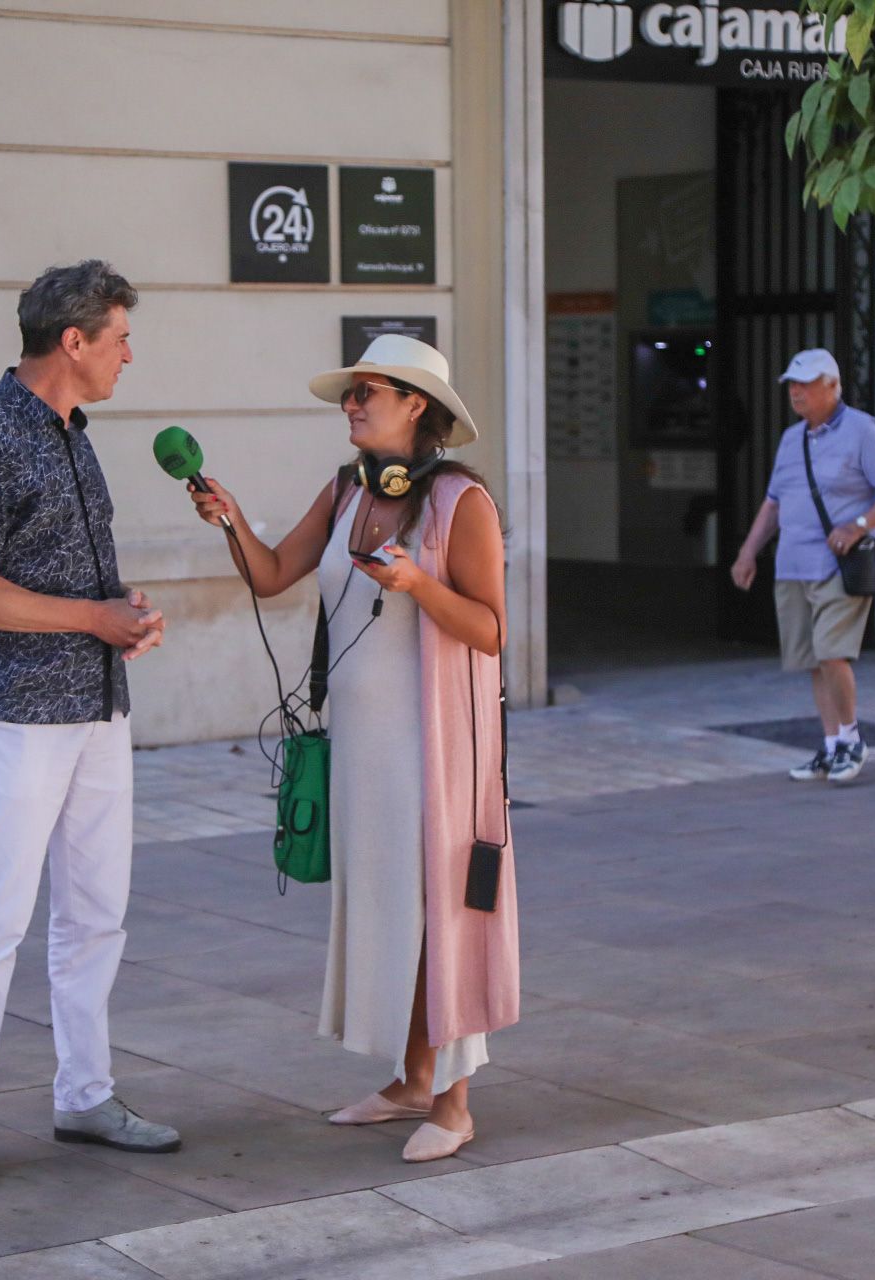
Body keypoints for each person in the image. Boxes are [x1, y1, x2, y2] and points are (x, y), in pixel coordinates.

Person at [188, 335, 519, 1164]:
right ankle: (410, 1080)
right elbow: (271, 576)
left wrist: (419, 586)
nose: (352, 402)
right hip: (363, 745)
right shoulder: (345, 492)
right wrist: (231, 519)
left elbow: (490, 628)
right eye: (350, 392)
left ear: (416, 405)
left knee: (438, 909)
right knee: (384, 906)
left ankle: (454, 1101)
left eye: (369, 390)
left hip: (436, 747)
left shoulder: (460, 502)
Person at [0, 261, 178, 1192]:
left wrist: (121, 612)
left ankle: (86, 1095)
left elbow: (59, 583)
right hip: (18, 717)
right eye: (119, 338)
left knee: (96, 916)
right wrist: (92, 619)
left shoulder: (76, 435)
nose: (127, 355)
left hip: (99, 711)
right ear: (74, 341)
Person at [731, 348, 875, 784]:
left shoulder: (862, 431)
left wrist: (859, 525)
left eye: (807, 383)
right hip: (793, 564)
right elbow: (774, 503)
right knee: (814, 660)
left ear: (833, 386)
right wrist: (748, 552)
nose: (797, 392)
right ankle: (831, 745)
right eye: (792, 384)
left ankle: (851, 740)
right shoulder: (791, 439)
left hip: (840, 565)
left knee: (833, 653)